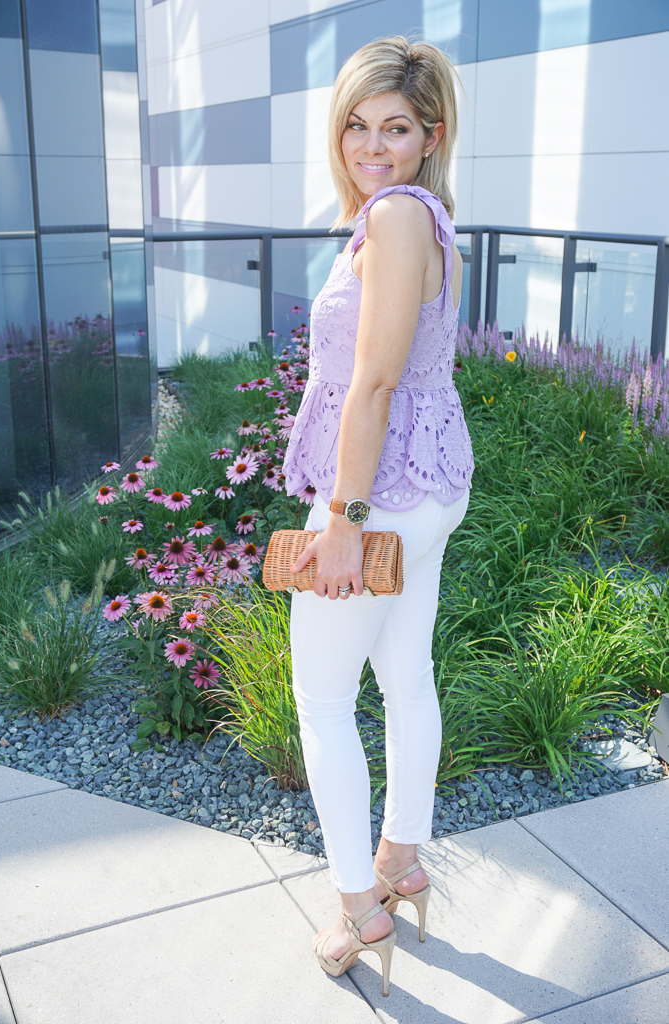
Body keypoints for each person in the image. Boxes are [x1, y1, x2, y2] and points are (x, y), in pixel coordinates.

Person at [282, 35, 474, 996]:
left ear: (429, 134)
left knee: (320, 698)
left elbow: (376, 381)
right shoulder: (420, 217)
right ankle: (399, 859)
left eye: (393, 127)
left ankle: (359, 907)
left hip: (384, 493)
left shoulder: (396, 216)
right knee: (403, 673)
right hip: (430, 484)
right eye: (355, 124)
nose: (369, 143)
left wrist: (343, 519)